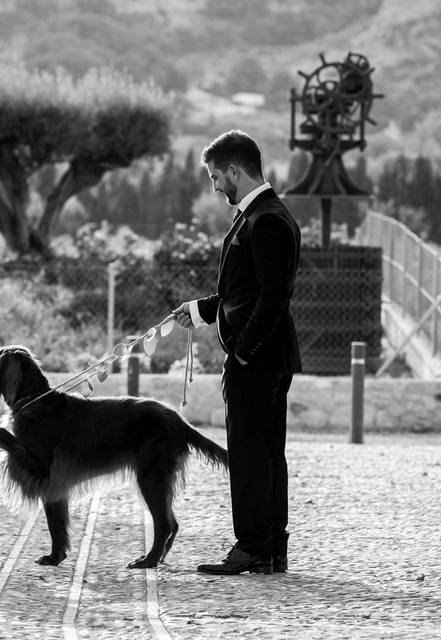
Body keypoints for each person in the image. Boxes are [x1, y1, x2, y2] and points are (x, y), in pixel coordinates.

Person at [172, 130, 302, 575]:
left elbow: (272, 296)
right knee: (265, 453)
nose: (214, 186)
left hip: (258, 359)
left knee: (251, 454)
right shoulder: (260, 214)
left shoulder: (265, 220)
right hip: (265, 356)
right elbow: (241, 291)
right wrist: (200, 310)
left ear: (234, 170)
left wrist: (243, 351)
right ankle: (270, 549)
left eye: (215, 177)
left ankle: (252, 546)